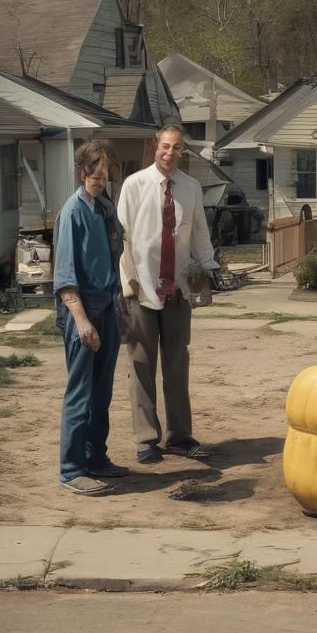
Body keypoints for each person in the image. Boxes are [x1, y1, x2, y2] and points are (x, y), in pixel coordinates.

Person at [118, 124, 221, 463]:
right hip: (141, 287)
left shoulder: (191, 188)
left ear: (182, 152)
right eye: (165, 146)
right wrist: (125, 284)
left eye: (177, 148)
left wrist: (209, 269)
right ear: (154, 146)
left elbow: (200, 232)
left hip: (177, 289)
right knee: (142, 365)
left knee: (177, 364)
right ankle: (147, 440)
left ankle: (180, 436)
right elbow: (123, 238)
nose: (170, 153)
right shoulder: (134, 186)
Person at [54, 141, 128, 496]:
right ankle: (72, 469)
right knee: (80, 392)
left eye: (104, 177)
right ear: (82, 173)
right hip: (83, 310)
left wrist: (121, 310)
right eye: (94, 176)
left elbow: (113, 262)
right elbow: (66, 276)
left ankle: (96, 458)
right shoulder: (72, 213)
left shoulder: (104, 207)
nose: (100, 182)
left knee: (102, 391)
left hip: (109, 305)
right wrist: (82, 321)